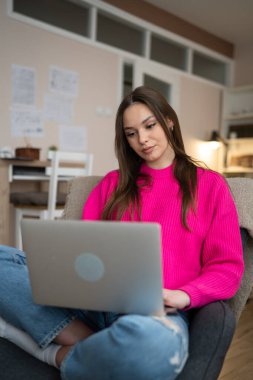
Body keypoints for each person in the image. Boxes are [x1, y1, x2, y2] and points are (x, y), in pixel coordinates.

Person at [0, 86, 244, 380]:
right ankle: (89, 340)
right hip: (94, 306)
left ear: (168, 121)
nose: (142, 139)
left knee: (155, 347)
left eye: (149, 125)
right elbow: (81, 251)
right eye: (131, 133)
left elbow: (227, 268)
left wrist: (184, 295)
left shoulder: (210, 185)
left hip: (155, 317)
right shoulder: (112, 185)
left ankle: (59, 353)